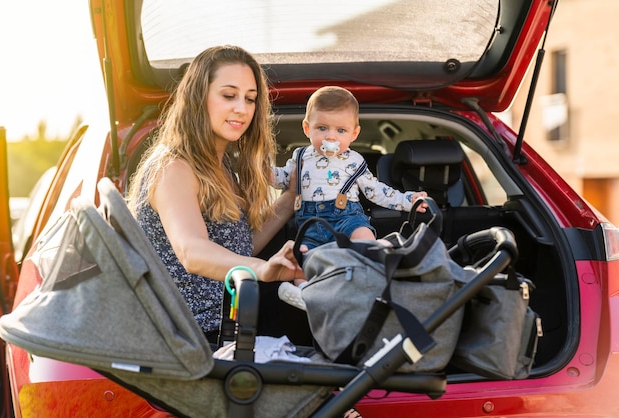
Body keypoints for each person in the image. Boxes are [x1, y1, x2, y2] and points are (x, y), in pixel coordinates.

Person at [126, 45, 304, 343]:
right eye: (228, 95)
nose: (242, 108)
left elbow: (238, 247)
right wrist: (263, 270)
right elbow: (192, 252)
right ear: (199, 98)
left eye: (250, 99)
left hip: (230, 324)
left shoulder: (221, 165)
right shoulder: (174, 167)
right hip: (190, 340)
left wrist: (289, 200)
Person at [273, 86, 428, 309]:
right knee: (302, 260)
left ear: (354, 134)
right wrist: (262, 172)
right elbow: (282, 177)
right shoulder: (300, 156)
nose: (331, 137)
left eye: (341, 131)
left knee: (364, 236)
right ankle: (306, 295)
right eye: (322, 128)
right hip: (309, 223)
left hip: (346, 217)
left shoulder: (355, 161)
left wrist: (407, 201)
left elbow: (376, 191)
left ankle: (368, 280)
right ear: (307, 128)